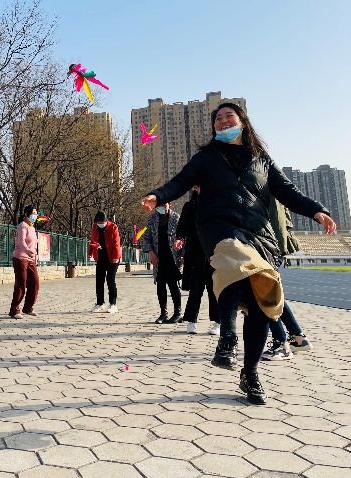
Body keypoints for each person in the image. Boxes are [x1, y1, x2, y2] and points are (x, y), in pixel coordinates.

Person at [140, 103, 335, 405]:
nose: (222, 121)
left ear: (242, 122)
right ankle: (228, 337)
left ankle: (250, 374)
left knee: (260, 303)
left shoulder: (262, 160)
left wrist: (316, 211)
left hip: (259, 233)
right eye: (217, 118)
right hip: (218, 227)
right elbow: (180, 181)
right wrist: (157, 195)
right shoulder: (206, 158)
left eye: (228, 116)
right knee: (235, 256)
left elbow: (288, 191)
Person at [262, 198, 313, 360]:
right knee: (273, 296)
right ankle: (298, 339)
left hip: (269, 248)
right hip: (269, 246)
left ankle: (281, 345)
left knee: (265, 295)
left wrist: (276, 249)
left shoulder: (266, 185)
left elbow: (276, 216)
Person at [173, 187, 220, 335]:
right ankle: (191, 321)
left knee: (214, 289)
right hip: (195, 252)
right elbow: (182, 226)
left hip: (213, 251)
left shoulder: (216, 204)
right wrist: (180, 239)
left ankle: (217, 322)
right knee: (195, 289)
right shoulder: (189, 206)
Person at [142, 202, 183, 323]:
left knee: (173, 284)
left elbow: (183, 237)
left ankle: (178, 312)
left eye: (163, 206)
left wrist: (183, 256)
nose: (161, 208)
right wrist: (150, 252)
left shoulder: (176, 218)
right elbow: (147, 238)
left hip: (173, 256)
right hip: (158, 257)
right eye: (158, 206)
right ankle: (163, 313)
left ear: (169, 204)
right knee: (160, 284)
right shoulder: (152, 219)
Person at [9, 205, 40, 319]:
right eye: (33, 213)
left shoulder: (32, 228)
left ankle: (28, 307)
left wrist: (35, 255)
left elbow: (34, 244)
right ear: (26, 214)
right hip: (20, 258)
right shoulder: (23, 225)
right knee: (21, 284)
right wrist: (28, 251)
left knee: (35, 282)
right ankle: (14, 310)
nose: (35, 216)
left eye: (36, 214)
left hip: (31, 259)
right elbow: (21, 241)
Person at [89, 211, 122, 313]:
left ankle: (113, 304)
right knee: (99, 280)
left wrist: (116, 256)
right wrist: (90, 252)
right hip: (100, 257)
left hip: (112, 257)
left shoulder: (113, 227)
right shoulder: (95, 228)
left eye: (101, 222)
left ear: (106, 220)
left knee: (110, 279)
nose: (100, 224)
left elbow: (116, 242)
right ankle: (100, 303)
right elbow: (93, 241)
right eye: (98, 222)